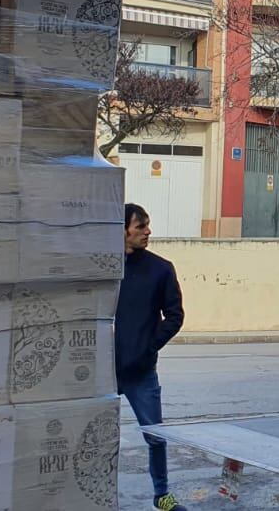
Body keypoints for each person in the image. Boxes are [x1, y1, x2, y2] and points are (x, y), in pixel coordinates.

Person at [117, 203, 188, 511]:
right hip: (99, 372)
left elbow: (174, 315)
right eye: (140, 226)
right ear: (122, 231)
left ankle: (162, 495)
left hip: (141, 372)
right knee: (91, 436)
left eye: (147, 225)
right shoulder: (101, 267)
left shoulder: (161, 269)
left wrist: (148, 347)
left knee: (156, 435)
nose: (148, 231)